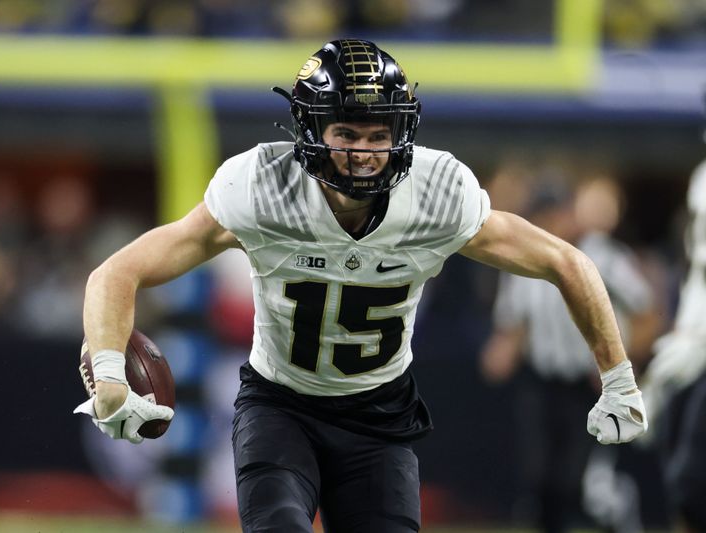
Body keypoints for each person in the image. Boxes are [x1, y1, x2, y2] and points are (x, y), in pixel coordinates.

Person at [74, 39, 648, 532]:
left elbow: (565, 262)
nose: (364, 153)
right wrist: (107, 377)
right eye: (346, 131)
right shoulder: (261, 188)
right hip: (281, 406)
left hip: (379, 417)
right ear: (309, 128)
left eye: (379, 134)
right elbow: (117, 272)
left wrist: (618, 377)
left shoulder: (436, 192)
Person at [480, 180, 659, 533]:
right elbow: (513, 325)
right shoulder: (522, 260)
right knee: (538, 479)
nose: (550, 223)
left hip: (586, 385)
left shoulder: (603, 257)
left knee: (578, 481)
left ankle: (618, 515)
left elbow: (646, 315)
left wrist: (620, 367)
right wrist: (501, 352)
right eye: (542, 216)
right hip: (541, 382)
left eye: (554, 214)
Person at [641, 157, 706, 532]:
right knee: (683, 483)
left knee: (691, 482)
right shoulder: (701, 178)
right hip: (695, 347)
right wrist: (688, 334)